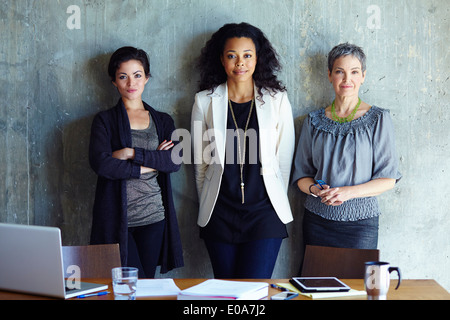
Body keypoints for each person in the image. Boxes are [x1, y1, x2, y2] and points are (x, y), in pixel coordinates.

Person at [191, 23, 295, 279]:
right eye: (232, 56)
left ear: (258, 58)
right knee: (226, 293)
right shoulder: (204, 101)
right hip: (220, 212)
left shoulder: (277, 99)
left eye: (247, 55)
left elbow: (283, 161)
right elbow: (200, 164)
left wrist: (272, 199)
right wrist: (210, 203)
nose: (240, 63)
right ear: (222, 60)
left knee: (253, 293)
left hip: (265, 213)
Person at [292, 43, 401, 251]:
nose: (347, 79)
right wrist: (316, 190)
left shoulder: (378, 119)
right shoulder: (313, 121)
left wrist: (347, 193)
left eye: (354, 72)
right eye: (339, 72)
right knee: (316, 282)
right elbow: (301, 176)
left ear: (363, 76)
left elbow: (388, 179)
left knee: (358, 283)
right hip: (317, 220)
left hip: (360, 224)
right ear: (329, 75)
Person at [89, 46, 183, 278]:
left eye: (137, 75)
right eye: (123, 76)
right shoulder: (104, 121)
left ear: (147, 78)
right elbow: (102, 165)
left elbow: (174, 161)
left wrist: (131, 153)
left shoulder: (162, 120)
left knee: (146, 284)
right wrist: (153, 163)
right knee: (126, 284)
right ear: (114, 82)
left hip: (153, 217)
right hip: (117, 221)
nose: (131, 82)